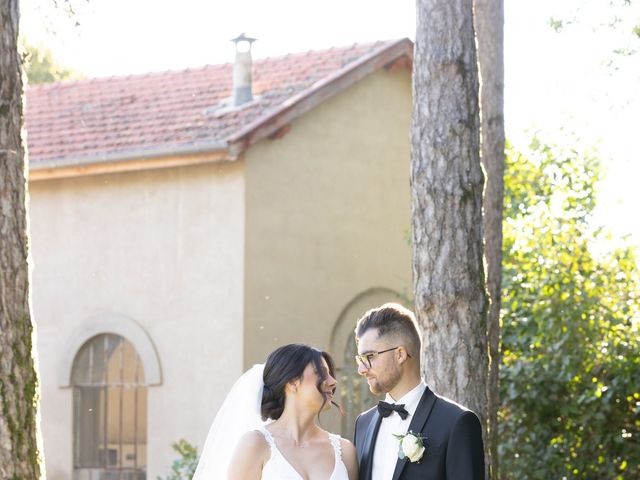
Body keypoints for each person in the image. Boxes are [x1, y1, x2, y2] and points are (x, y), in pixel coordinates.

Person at [353, 303, 484, 480]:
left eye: (369, 357)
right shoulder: (363, 423)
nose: (361, 369)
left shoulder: (456, 422)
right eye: (360, 359)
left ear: (400, 354)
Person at [192, 343, 359, 480]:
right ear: (292, 382)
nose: (333, 381)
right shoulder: (255, 444)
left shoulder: (345, 451)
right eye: (321, 373)